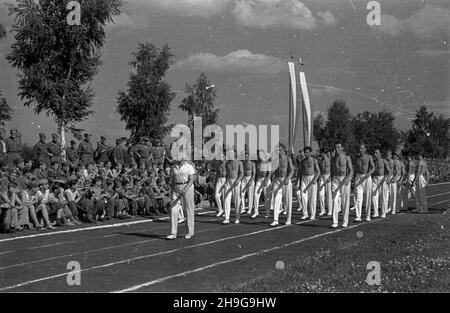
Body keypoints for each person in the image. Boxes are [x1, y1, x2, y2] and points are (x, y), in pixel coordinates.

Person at [166, 149, 196, 240]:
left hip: (187, 187)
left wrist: (185, 189)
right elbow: (172, 180)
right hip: (176, 187)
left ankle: (189, 232)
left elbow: (191, 180)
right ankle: (173, 233)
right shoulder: (173, 167)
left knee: (188, 210)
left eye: (179, 155)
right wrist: (171, 192)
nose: (177, 156)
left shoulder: (189, 167)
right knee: (173, 209)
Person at [331, 143, 353, 228]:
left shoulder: (347, 158)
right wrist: (331, 181)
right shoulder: (333, 159)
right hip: (335, 179)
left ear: (342, 148)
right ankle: (335, 221)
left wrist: (348, 179)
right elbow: (332, 171)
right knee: (334, 200)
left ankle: (345, 221)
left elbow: (351, 170)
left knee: (345, 201)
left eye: (338, 147)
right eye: (335, 147)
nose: (336, 149)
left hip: (344, 178)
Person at [297, 146, 320, 221]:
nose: (305, 154)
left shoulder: (314, 160)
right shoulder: (302, 161)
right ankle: (305, 213)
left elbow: (318, 171)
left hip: (312, 178)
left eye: (307, 152)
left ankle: (312, 214)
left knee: (312, 198)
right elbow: (300, 172)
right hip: (304, 178)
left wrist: (315, 179)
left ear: (310, 152)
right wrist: (299, 183)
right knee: (303, 196)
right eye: (305, 152)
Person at [222, 147, 244, 225]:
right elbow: (226, 174)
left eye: (231, 153)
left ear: (234, 154)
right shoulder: (227, 163)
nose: (229, 155)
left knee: (237, 200)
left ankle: (237, 217)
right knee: (226, 199)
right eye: (229, 153)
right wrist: (225, 182)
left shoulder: (239, 162)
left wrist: (238, 180)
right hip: (228, 181)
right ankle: (226, 218)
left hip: (236, 181)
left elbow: (241, 173)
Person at [354, 144, 375, 222]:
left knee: (368, 196)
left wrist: (369, 174)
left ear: (365, 149)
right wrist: (354, 178)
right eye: (359, 148)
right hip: (358, 176)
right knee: (358, 197)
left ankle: (367, 215)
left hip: (367, 177)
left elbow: (373, 168)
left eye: (361, 148)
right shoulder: (357, 158)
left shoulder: (369, 157)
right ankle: (358, 216)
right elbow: (355, 168)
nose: (360, 150)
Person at [371, 149, 390, 219]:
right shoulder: (373, 161)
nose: (375, 154)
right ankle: (375, 212)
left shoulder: (384, 161)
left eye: (376, 153)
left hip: (382, 178)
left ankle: (383, 212)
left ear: (380, 154)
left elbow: (389, 170)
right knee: (374, 195)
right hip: (374, 178)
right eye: (374, 153)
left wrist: (388, 179)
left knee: (383, 197)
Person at [253, 149, 271, 219]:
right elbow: (257, 173)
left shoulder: (268, 162)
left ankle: (267, 212)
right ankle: (256, 211)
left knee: (267, 197)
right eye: (258, 154)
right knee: (255, 195)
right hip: (259, 180)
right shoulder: (257, 163)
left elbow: (269, 173)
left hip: (266, 179)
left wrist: (266, 181)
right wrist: (255, 181)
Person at [241, 150, 256, 215]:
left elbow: (254, 173)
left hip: (250, 178)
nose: (246, 158)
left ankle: (249, 209)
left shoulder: (252, 164)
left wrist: (251, 181)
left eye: (247, 157)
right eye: (245, 157)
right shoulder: (243, 163)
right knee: (241, 193)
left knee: (250, 195)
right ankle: (242, 208)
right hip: (244, 178)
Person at [317, 148, 332, 216]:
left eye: (321, 153)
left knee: (328, 194)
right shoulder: (320, 161)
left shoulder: (329, 160)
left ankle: (330, 210)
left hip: (328, 176)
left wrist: (330, 177)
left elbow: (333, 169)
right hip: (322, 177)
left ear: (324, 153)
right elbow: (319, 170)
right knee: (321, 194)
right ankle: (322, 210)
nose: (320, 155)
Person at [214, 151, 226, 217]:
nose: (220, 158)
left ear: (224, 157)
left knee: (224, 197)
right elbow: (217, 174)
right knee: (216, 195)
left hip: (225, 179)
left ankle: (225, 210)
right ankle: (220, 209)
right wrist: (215, 182)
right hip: (219, 180)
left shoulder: (226, 164)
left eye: (221, 156)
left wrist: (226, 182)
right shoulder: (218, 165)